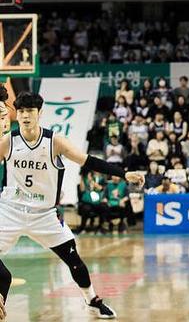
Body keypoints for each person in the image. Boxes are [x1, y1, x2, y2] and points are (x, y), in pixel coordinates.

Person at [0, 92, 144, 320]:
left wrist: (124, 174)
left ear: (40, 113)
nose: (25, 116)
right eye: (22, 111)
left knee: (74, 260)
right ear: (16, 115)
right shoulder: (8, 141)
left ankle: (92, 301)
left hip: (44, 215)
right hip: (10, 211)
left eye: (30, 111)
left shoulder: (54, 141)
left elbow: (89, 161)